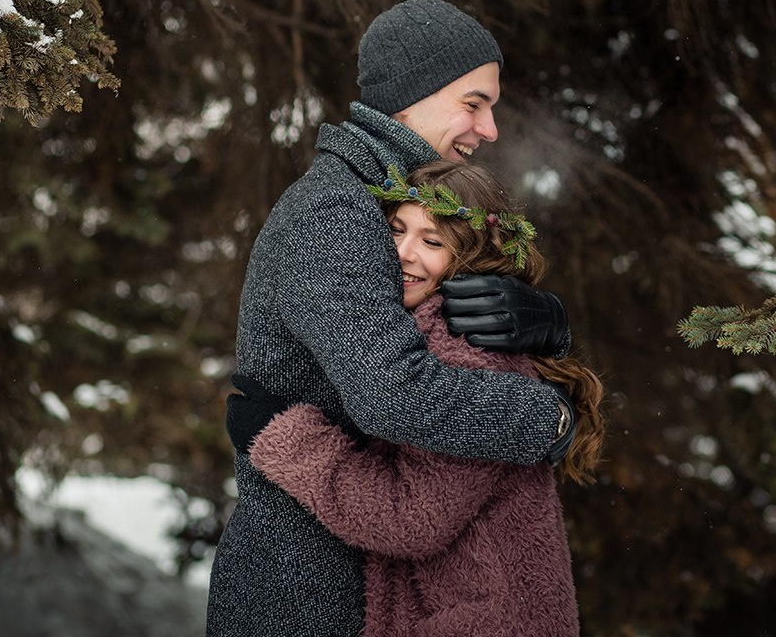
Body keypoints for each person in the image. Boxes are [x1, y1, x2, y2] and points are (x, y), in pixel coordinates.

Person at [206, 0, 577, 637]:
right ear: (413, 98)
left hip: (368, 572)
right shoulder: (335, 209)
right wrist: (550, 418)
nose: (489, 130)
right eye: (473, 103)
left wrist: (545, 325)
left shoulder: (399, 203)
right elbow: (394, 396)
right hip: (308, 582)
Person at [224, 161, 605, 637]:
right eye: (396, 229)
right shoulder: (422, 332)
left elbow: (411, 519)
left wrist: (285, 437)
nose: (402, 253)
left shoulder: (464, 346)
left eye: (432, 241)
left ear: (470, 254)